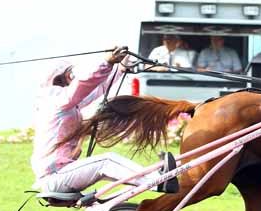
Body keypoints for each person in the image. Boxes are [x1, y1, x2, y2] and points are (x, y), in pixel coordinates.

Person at [31, 46, 164, 194]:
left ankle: (153, 180)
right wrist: (106, 62)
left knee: (107, 165)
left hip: (61, 174)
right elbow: (84, 85)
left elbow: (96, 89)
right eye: (70, 74)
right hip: (56, 176)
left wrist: (119, 68)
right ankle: (156, 181)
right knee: (107, 161)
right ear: (62, 77)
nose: (73, 77)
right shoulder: (57, 101)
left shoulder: (63, 102)